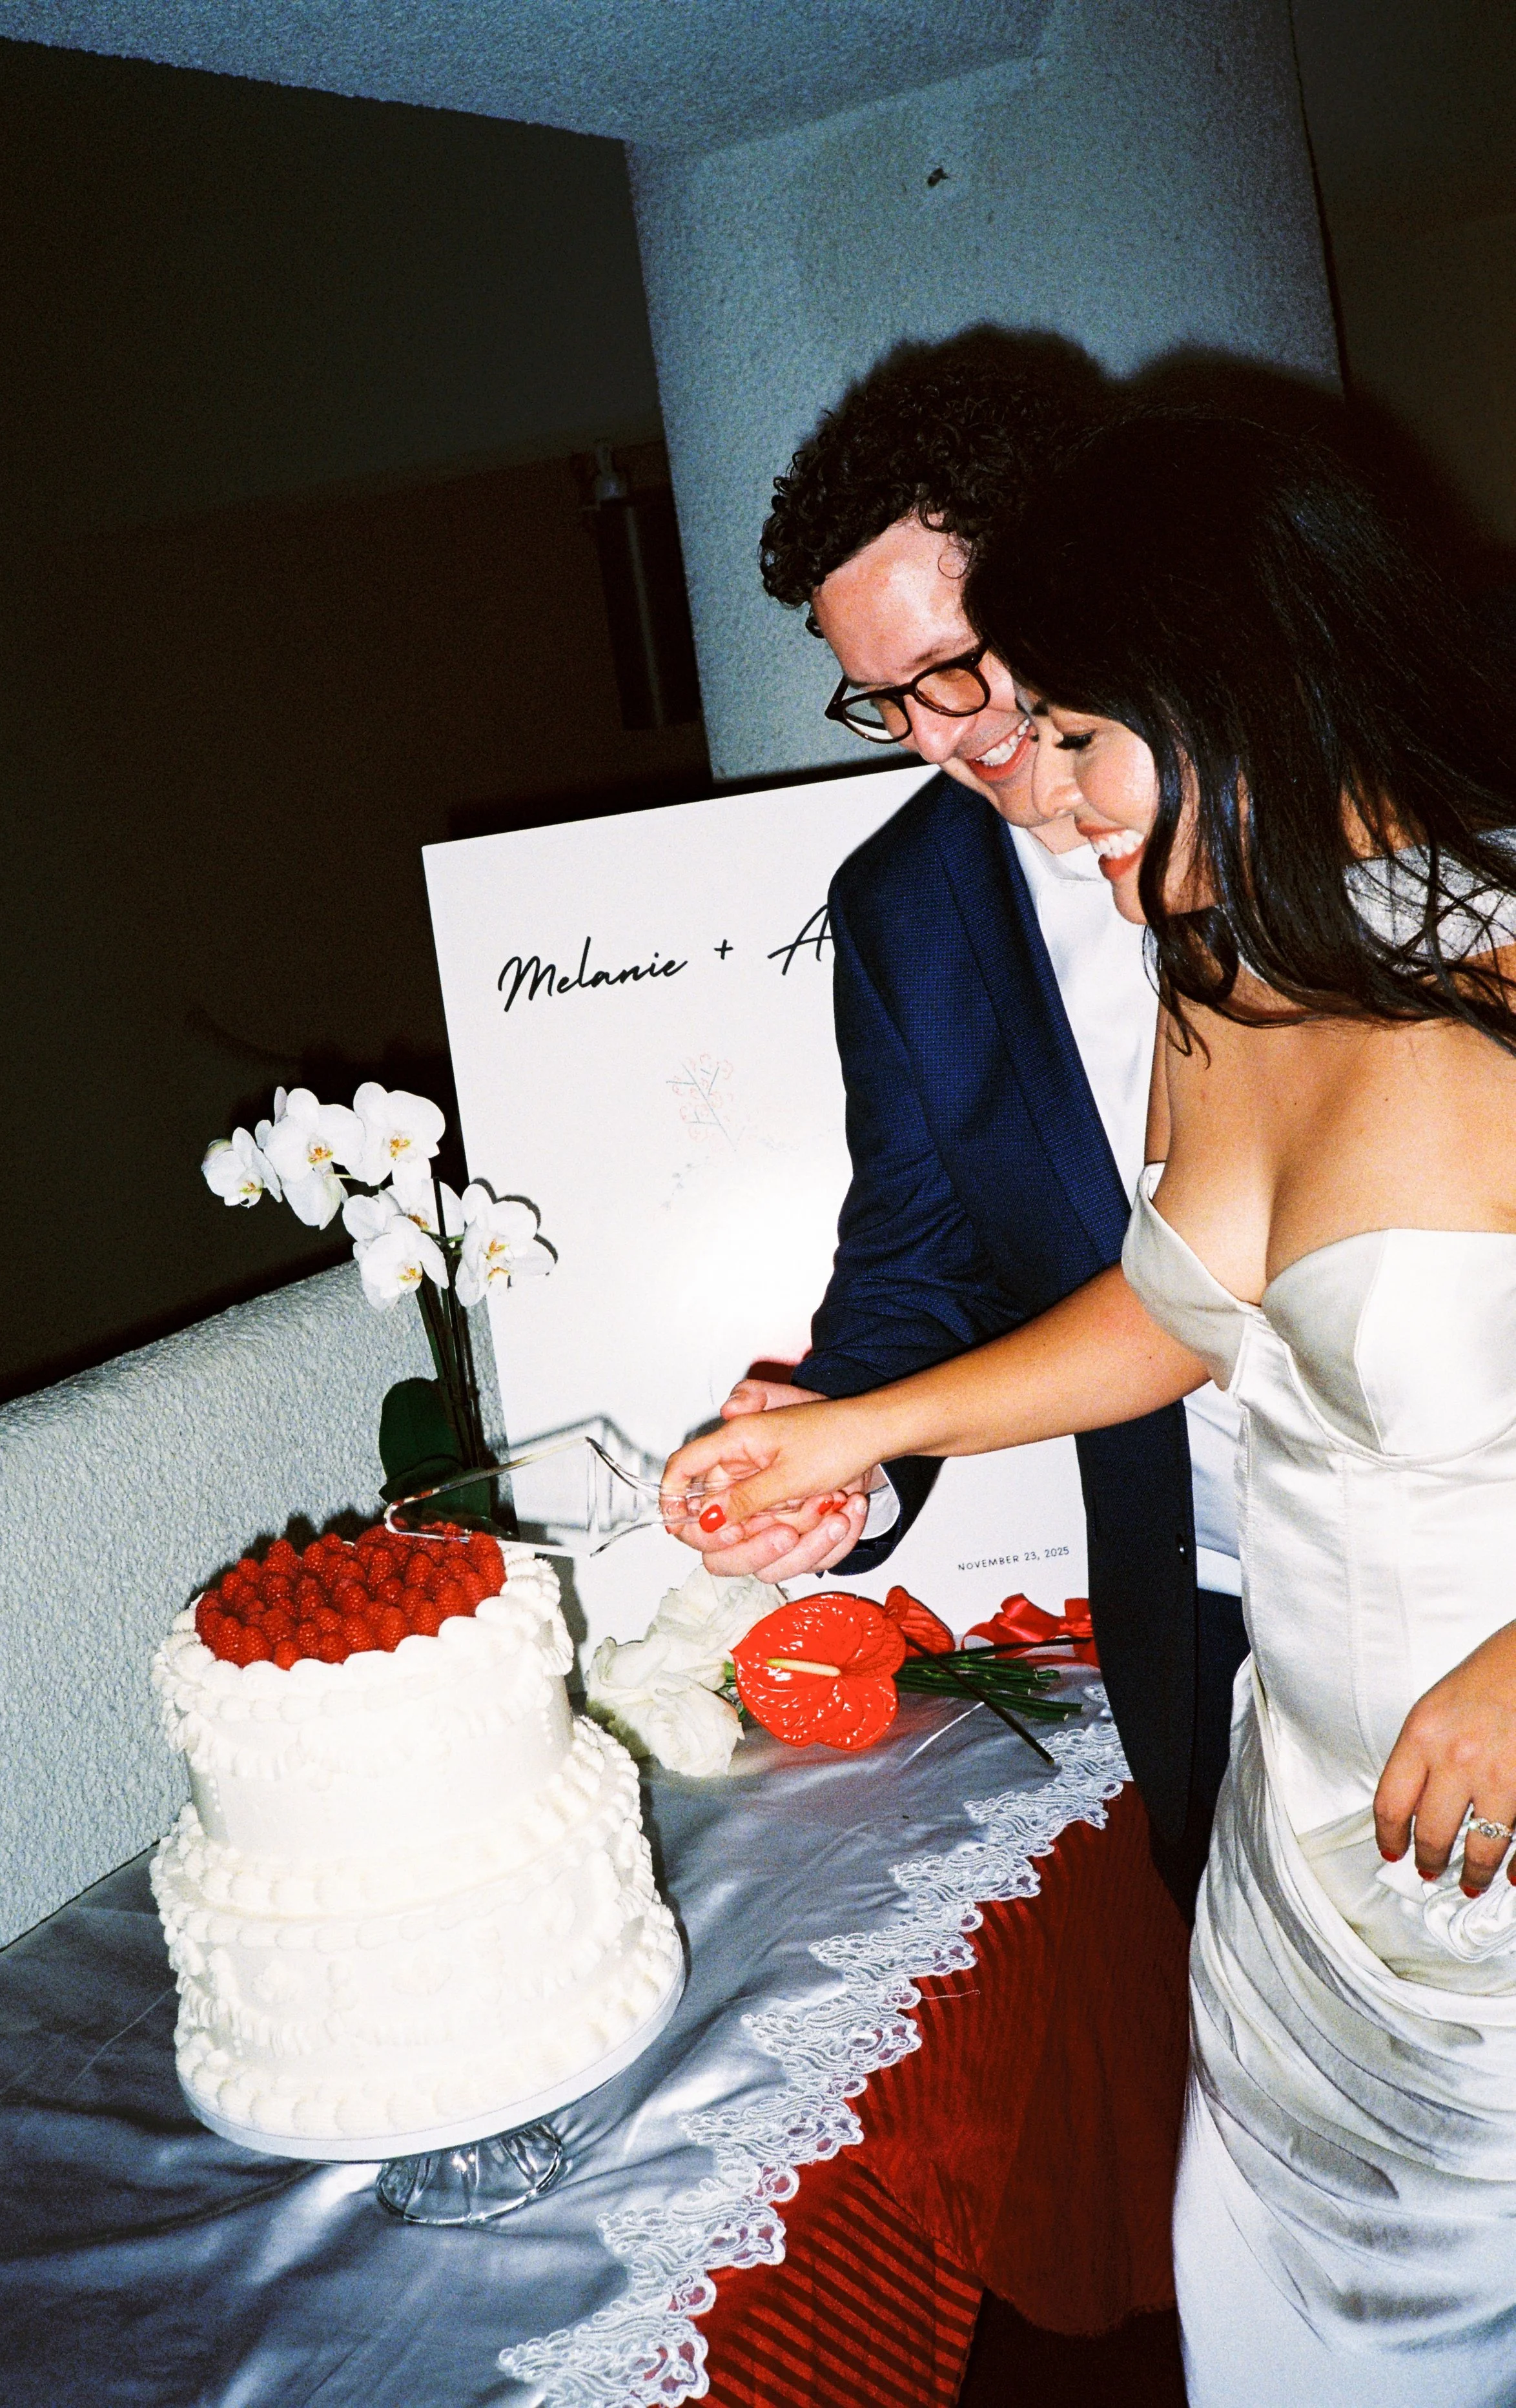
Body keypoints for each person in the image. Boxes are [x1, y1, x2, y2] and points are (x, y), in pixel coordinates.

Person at [664, 410, 1516, 2402]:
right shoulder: (1221, 959)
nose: (1015, 782)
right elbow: (1169, 1310)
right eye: (910, 713)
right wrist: (852, 1433)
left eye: (1046, 719)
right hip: (1298, 1839)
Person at [678, 330, 1247, 1903]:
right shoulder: (903, 907)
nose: (945, 729)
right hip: (1198, 1602)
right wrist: (836, 1461)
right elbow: (920, 1266)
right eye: (886, 701)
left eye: (961, 657)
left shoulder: (1353, 798)